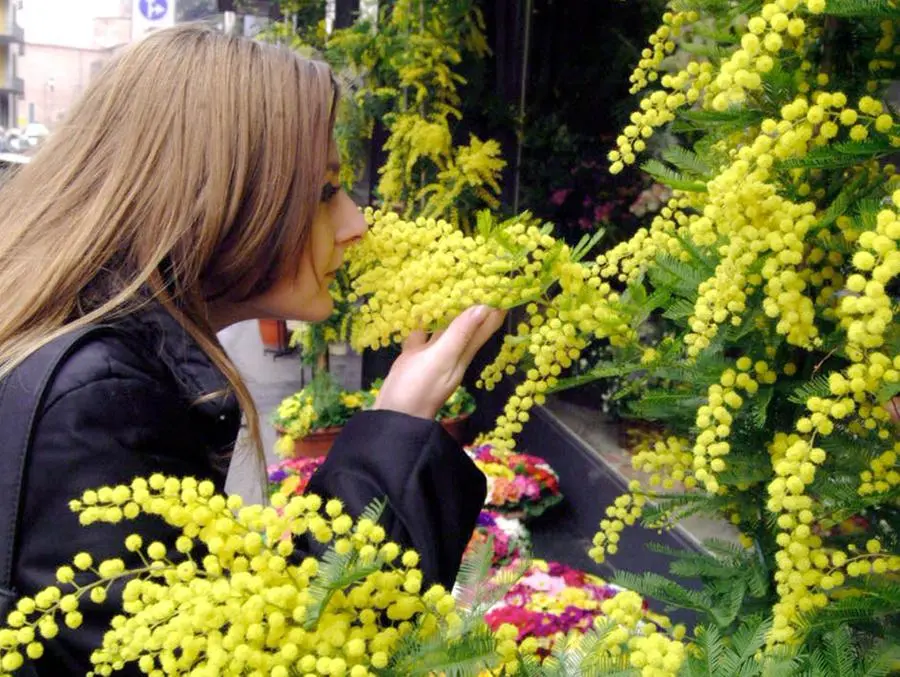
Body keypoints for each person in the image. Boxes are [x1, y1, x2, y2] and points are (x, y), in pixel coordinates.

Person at [0, 25, 504, 674]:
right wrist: (401, 427)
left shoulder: (83, 363)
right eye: (325, 191)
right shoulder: (97, 404)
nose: (356, 223)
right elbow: (276, 658)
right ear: (219, 196)